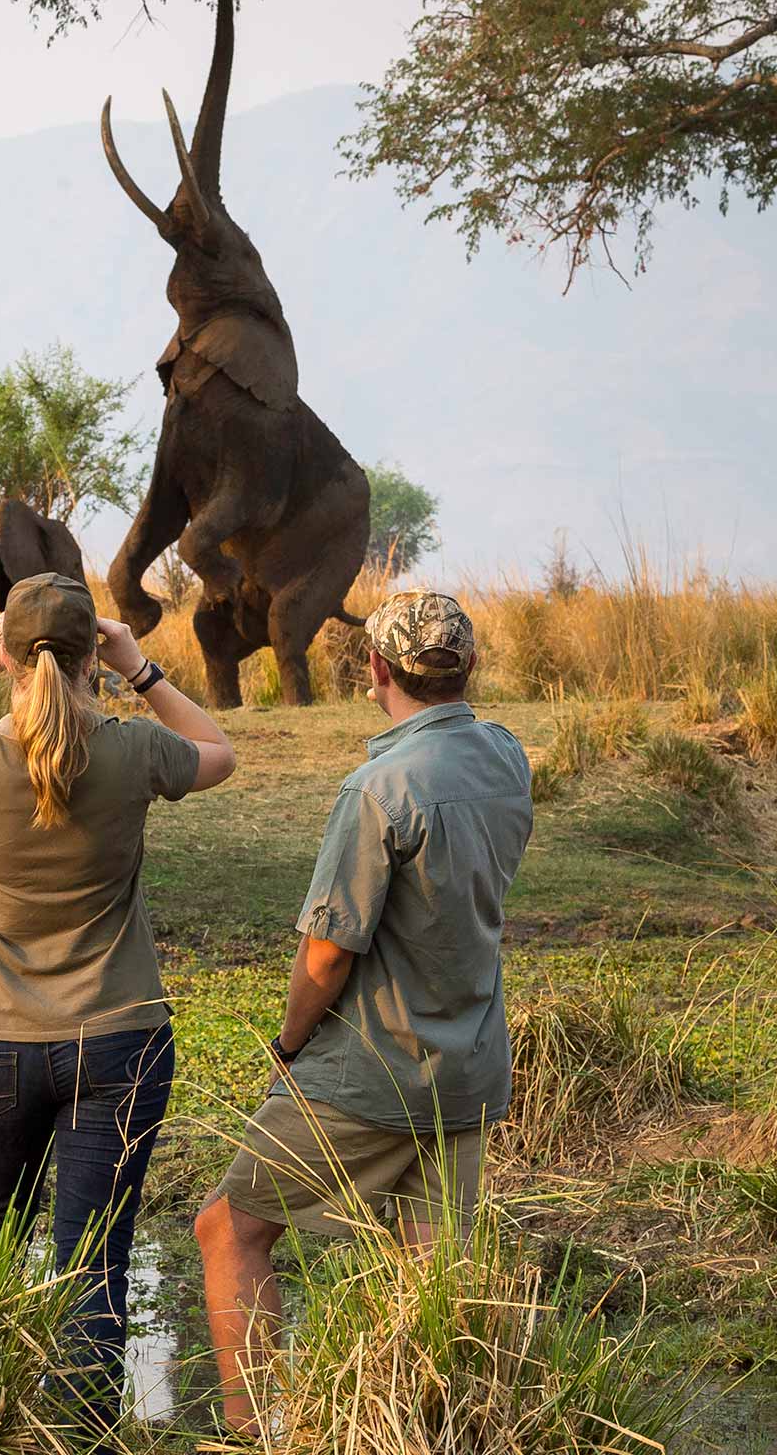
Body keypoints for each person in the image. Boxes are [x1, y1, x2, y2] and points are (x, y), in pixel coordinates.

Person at [0, 572, 236, 1427]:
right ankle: (80, 1433)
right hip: (121, 1039)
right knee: (94, 1258)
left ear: (9, 656)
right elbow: (220, 753)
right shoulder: (134, 750)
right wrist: (143, 670)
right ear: (90, 657)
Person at [192, 590, 532, 1435]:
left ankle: (252, 1433)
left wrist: (290, 1039)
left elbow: (327, 954)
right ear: (470, 668)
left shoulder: (378, 787)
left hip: (371, 1070)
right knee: (433, 1280)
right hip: (469, 1065)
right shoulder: (506, 757)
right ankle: (429, 1433)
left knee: (227, 1232)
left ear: (375, 670)